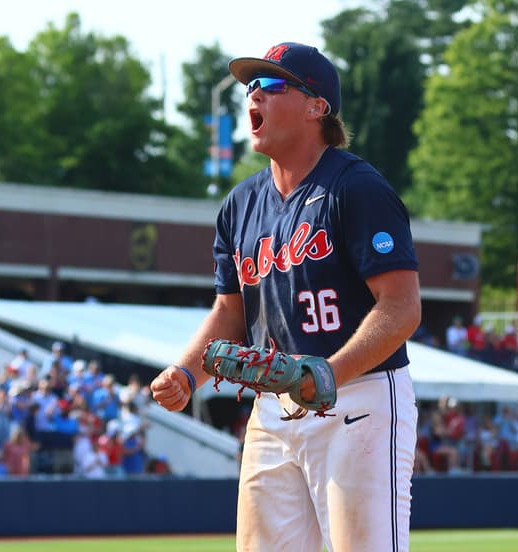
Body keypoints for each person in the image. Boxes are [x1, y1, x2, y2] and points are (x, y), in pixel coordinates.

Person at [150, 41, 421, 552]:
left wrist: (328, 374)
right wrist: (187, 373)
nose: (254, 94)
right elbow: (230, 312)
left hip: (357, 398)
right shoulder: (240, 204)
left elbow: (401, 307)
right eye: (251, 86)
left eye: (271, 85)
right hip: (273, 408)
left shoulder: (356, 188)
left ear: (317, 107)